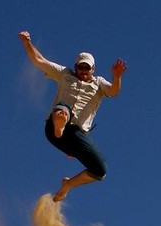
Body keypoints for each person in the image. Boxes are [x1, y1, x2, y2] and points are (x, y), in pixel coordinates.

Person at [18, 29, 127, 201]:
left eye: (87, 68)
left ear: (93, 69)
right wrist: (27, 43)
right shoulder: (64, 74)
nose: (83, 71)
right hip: (54, 128)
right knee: (62, 110)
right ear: (75, 66)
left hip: (77, 135)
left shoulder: (98, 84)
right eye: (80, 67)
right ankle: (60, 125)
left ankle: (68, 185)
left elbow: (113, 92)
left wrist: (116, 77)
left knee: (100, 171)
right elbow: (39, 60)